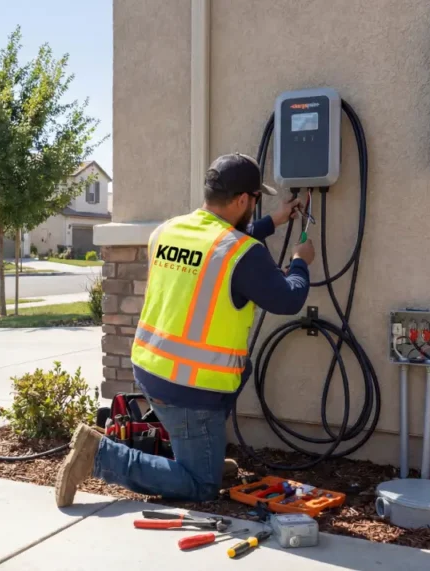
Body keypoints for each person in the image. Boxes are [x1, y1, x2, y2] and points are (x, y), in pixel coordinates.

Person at [55, 152, 314, 507]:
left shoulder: (168, 230)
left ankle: (197, 451)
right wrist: (301, 261)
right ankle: (100, 456)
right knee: (201, 486)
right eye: (255, 199)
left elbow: (221, 247)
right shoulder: (243, 253)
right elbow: (288, 299)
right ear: (242, 200)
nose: (255, 206)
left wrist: (273, 221)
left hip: (150, 368)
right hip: (190, 387)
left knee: (241, 369)